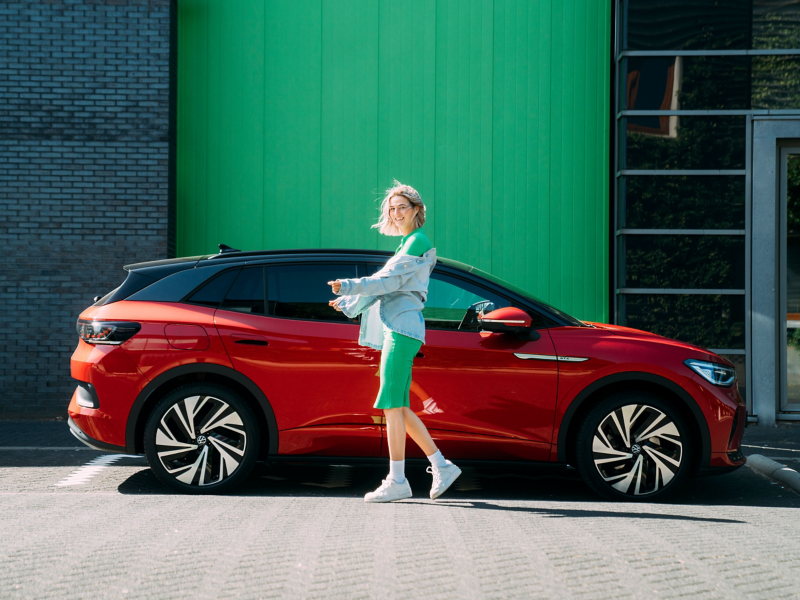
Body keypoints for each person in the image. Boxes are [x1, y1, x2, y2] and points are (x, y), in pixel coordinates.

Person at [328, 181, 461, 503]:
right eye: (392, 208)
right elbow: (389, 286)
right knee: (398, 407)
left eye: (403, 206)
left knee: (389, 405)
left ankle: (397, 479)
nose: (397, 213)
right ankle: (441, 466)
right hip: (400, 330)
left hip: (402, 332)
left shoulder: (417, 240)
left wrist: (347, 285)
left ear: (417, 210)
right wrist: (347, 300)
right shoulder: (408, 243)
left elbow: (385, 281)